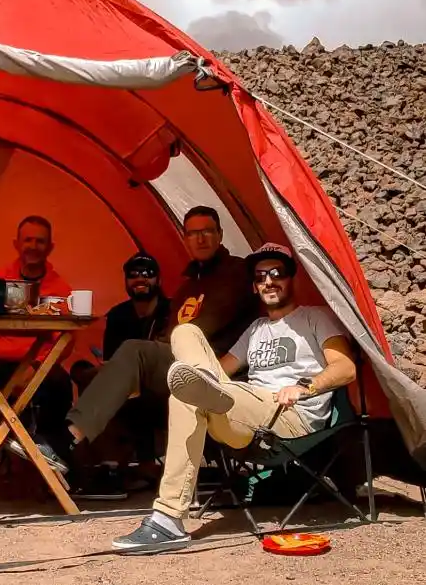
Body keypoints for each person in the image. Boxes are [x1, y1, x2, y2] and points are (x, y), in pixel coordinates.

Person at [112, 243, 357, 553]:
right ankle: (169, 518)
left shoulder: (314, 318)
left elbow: (345, 368)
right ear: (254, 286)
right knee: (185, 334)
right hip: (244, 410)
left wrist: (304, 387)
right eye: (260, 276)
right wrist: (199, 371)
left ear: (291, 278)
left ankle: (168, 518)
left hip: (287, 415)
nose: (269, 281)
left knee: (187, 396)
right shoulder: (256, 329)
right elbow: (222, 369)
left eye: (276, 273)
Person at [41, 206, 259, 473]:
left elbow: (203, 325)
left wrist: (147, 357)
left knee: (135, 351)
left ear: (220, 234)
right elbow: (169, 330)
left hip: (211, 367)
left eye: (207, 231)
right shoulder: (188, 285)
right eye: (193, 233)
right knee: (99, 377)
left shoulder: (236, 271)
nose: (200, 238)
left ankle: (67, 439)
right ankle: (97, 471)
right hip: (179, 364)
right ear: (185, 239)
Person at [0, 216, 74, 473]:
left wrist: (36, 367)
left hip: (38, 366)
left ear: (50, 247)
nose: (33, 246)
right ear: (17, 244)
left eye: (40, 241)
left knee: (59, 383)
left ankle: (50, 453)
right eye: (28, 240)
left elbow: (65, 341)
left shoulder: (61, 288)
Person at [65, 253, 172, 500]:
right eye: (133, 274)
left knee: (120, 394)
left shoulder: (172, 310)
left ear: (159, 278)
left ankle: (107, 463)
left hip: (162, 387)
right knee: (83, 373)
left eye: (147, 273)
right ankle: (104, 467)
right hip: (125, 387)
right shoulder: (118, 315)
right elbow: (112, 364)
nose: (140, 278)